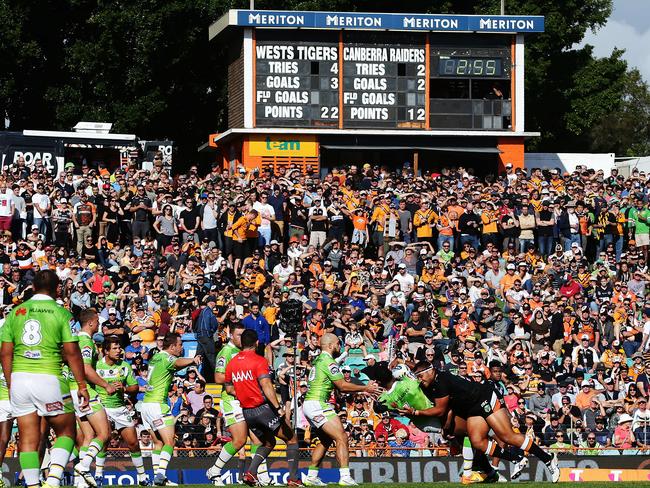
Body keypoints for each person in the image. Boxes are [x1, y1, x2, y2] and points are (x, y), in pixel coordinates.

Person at [0, 270, 89, 488]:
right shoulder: (61, 313)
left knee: (28, 439)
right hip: (48, 376)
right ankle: (53, 481)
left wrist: (12, 383)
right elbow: (72, 352)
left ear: (33, 287)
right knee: (67, 431)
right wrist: (81, 385)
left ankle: (32, 485)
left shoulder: (15, 312)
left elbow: (4, 352)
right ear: (57, 287)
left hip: (19, 379)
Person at [408, 361, 560, 483]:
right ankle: (517, 459)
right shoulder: (431, 376)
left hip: (485, 397)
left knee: (507, 436)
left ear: (430, 371)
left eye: (420, 377)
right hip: (473, 408)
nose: (420, 380)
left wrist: (415, 412)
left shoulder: (440, 382)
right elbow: (417, 367)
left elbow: (441, 410)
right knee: (477, 441)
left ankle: (548, 459)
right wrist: (402, 362)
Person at [302, 333, 382, 486]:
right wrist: (366, 387)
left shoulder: (319, 359)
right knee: (342, 437)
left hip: (310, 404)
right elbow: (342, 386)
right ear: (331, 346)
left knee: (325, 440)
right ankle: (345, 476)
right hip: (318, 403)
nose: (340, 346)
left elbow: (334, 369)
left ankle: (311, 477)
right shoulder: (329, 362)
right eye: (338, 344)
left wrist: (347, 352)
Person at [224, 329, 301, 487]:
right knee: (291, 439)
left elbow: (229, 388)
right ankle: (293, 479)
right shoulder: (259, 361)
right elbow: (266, 385)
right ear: (256, 343)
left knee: (268, 442)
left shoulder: (232, 362)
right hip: (262, 409)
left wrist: (244, 393)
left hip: (247, 412)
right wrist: (278, 408)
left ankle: (250, 474)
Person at [207, 323, 270, 486]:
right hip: (232, 401)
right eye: (238, 335)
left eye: (243, 335)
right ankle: (214, 470)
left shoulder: (243, 353)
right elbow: (219, 378)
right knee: (240, 440)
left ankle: (262, 476)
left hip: (246, 400)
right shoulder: (226, 352)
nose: (241, 338)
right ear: (231, 335)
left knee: (258, 440)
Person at [140, 333, 201, 486]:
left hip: (146, 405)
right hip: (157, 405)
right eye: (180, 345)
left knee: (158, 443)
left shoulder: (156, 356)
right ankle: (160, 474)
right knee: (169, 441)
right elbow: (178, 362)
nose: (182, 348)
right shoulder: (167, 358)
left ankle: (157, 478)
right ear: (172, 346)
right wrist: (193, 361)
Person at [68, 308, 115, 488]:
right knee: (104, 434)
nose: (99, 324)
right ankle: (84, 466)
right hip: (85, 390)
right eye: (98, 322)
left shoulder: (75, 339)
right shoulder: (85, 341)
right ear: (90, 323)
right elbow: (86, 369)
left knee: (88, 435)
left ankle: (81, 483)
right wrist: (106, 385)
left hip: (74, 390)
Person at [95, 336, 150, 485]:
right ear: (106, 351)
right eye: (115, 348)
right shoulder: (96, 366)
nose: (119, 350)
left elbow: (135, 388)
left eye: (119, 348)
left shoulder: (125, 366)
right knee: (104, 441)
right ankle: (98, 475)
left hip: (120, 409)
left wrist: (124, 388)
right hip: (103, 408)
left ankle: (142, 476)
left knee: (133, 443)